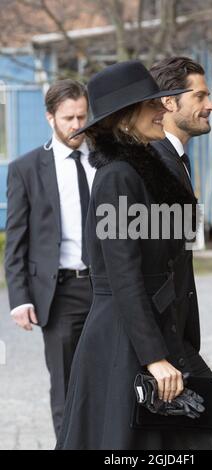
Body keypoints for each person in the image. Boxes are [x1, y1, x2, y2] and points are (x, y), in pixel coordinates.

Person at [55, 60, 212, 450]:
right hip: (125, 338)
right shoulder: (118, 176)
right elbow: (123, 275)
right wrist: (153, 356)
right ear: (124, 119)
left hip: (148, 329)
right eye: (151, 104)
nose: (162, 109)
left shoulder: (140, 170)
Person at [150, 56, 212, 449]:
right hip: (161, 334)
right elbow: (138, 264)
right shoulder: (152, 163)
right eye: (200, 95)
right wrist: (157, 351)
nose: (211, 104)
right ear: (169, 103)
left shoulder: (178, 160)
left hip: (174, 331)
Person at [5, 79, 95, 438]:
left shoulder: (107, 160)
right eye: (68, 118)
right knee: (66, 386)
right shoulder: (26, 168)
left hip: (108, 286)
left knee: (114, 375)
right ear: (50, 118)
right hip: (60, 293)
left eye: (82, 116)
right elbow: (17, 239)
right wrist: (20, 297)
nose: (77, 125)